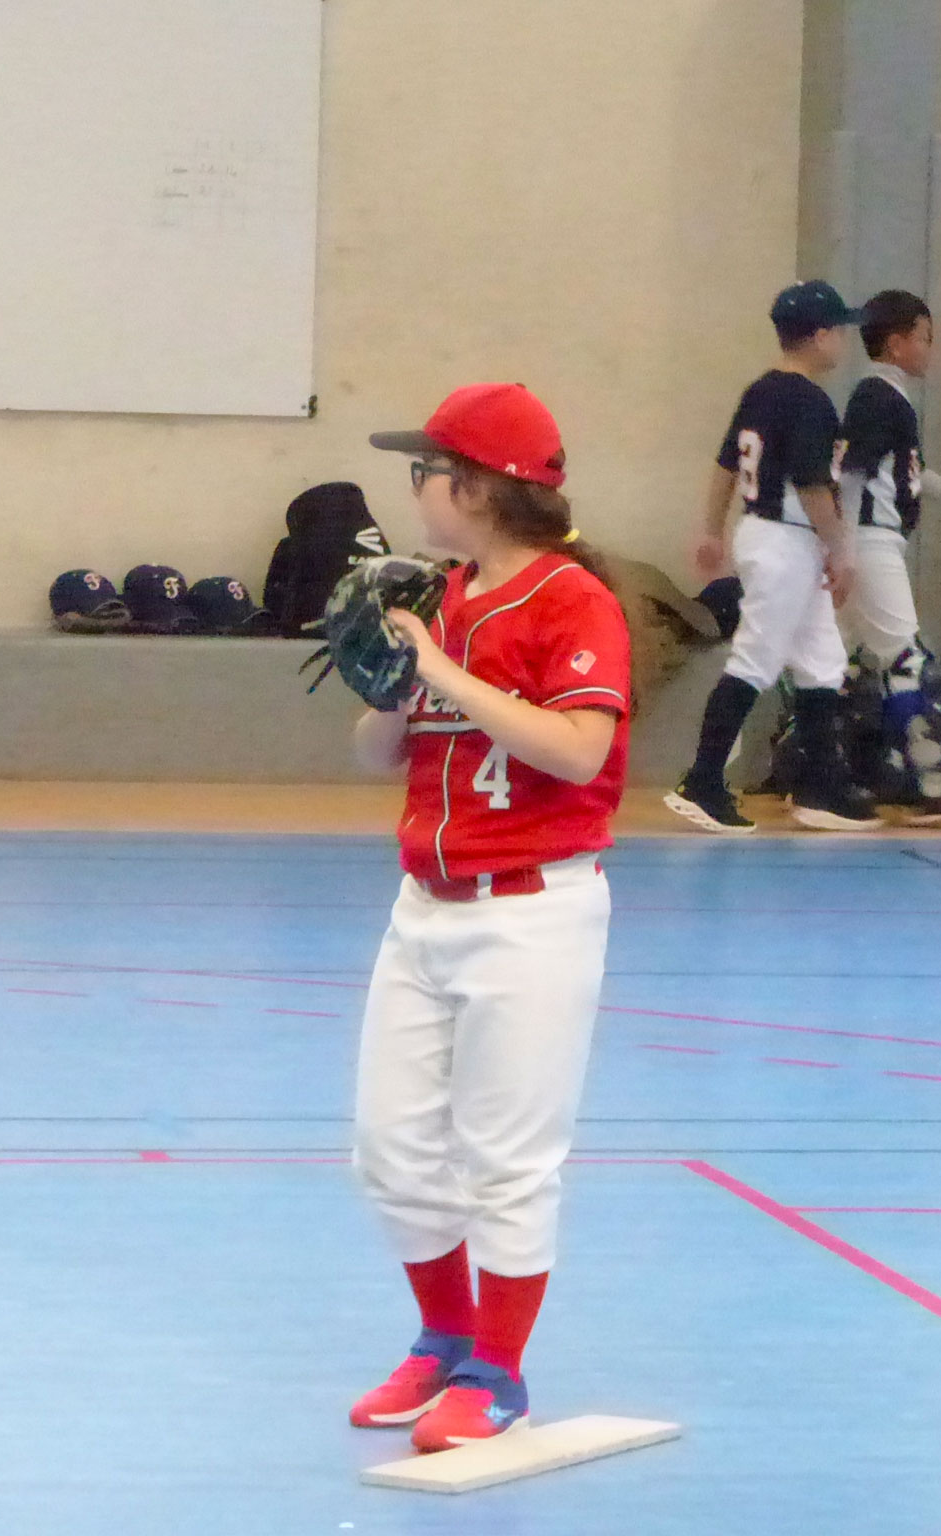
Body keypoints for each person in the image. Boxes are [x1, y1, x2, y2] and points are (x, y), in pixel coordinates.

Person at [347, 382, 633, 1451]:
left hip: (532, 912)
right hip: (424, 902)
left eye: (426, 470)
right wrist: (392, 686)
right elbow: (376, 755)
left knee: (507, 1159)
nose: (416, 487)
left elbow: (580, 751)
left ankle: (499, 1372)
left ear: (475, 488)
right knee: (391, 1146)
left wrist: (443, 671)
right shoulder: (442, 595)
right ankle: (443, 1338)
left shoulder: (571, 599)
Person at [665, 280, 882, 834]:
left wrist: (712, 529)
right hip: (786, 541)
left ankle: (820, 788)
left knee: (822, 661)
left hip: (777, 537)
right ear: (820, 336)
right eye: (839, 331)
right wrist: (841, 551)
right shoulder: (809, 400)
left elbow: (725, 465)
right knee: (755, 658)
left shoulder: (761, 391)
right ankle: (702, 781)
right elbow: (812, 486)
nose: (844, 342)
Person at [837, 287, 941, 823]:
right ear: (896, 343)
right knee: (910, 663)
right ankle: (927, 783)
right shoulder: (876, 397)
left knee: (862, 665)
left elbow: (911, 473)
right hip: (870, 541)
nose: (931, 349)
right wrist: (844, 549)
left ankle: (866, 772)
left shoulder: (892, 400)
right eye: (925, 338)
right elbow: (852, 475)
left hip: (875, 541)